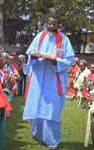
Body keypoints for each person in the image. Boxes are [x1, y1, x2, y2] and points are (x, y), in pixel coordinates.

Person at [22, 14, 74, 149]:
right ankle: (37, 136)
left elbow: (68, 60)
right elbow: (30, 52)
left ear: (58, 25)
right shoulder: (39, 36)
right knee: (35, 106)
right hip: (38, 78)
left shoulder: (64, 40)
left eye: (55, 24)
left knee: (50, 109)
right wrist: (36, 56)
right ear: (46, 23)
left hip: (53, 77)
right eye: (50, 24)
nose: (52, 26)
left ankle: (52, 140)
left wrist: (55, 60)